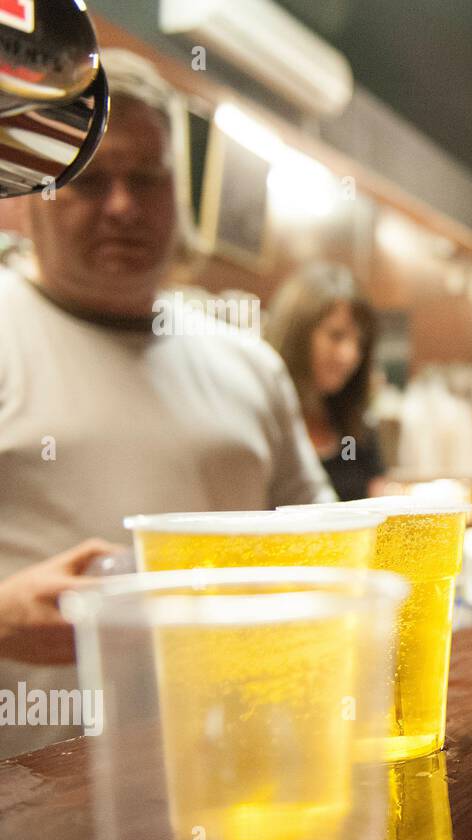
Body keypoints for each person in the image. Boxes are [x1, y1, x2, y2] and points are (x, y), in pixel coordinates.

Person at [0, 50, 332, 759]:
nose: (122, 206)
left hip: (235, 774)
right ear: (32, 193)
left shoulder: (250, 364)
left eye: (146, 179)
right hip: (25, 809)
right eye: (88, 179)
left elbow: (330, 551)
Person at [264, 262, 386, 501]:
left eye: (360, 343)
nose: (350, 355)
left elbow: (378, 502)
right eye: (336, 335)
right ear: (297, 332)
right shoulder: (263, 420)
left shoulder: (354, 430)